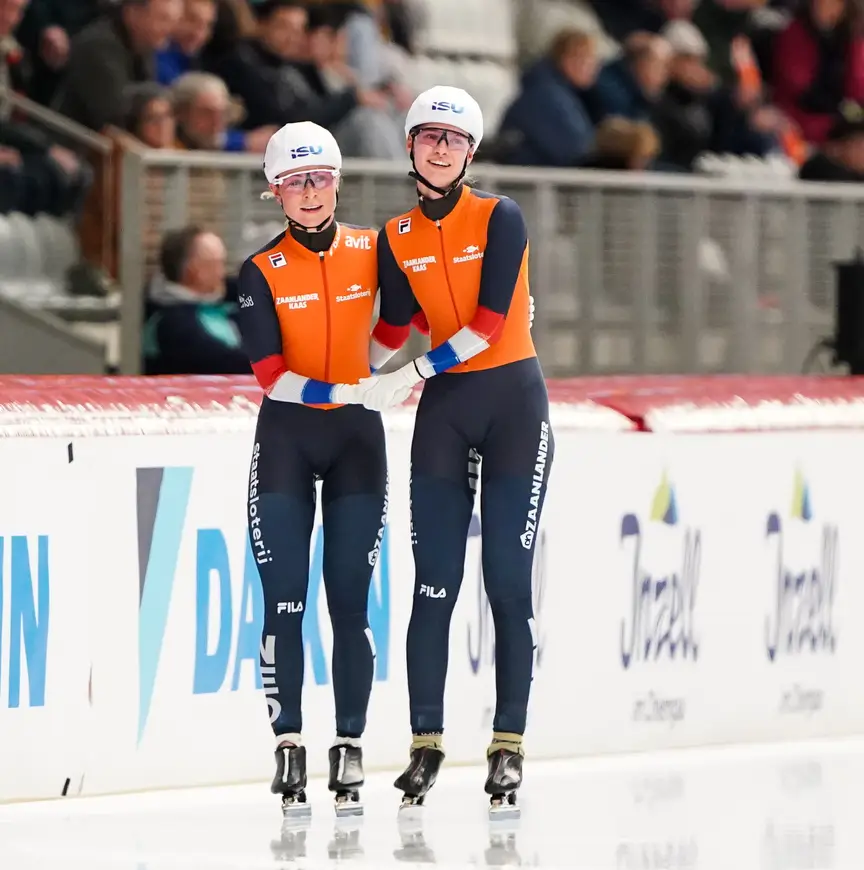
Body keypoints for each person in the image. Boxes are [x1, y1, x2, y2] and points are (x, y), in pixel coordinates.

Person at [356, 86, 554, 817]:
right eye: (429, 136)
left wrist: (406, 374)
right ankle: (426, 743)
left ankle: (508, 745)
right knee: (433, 584)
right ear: (409, 146)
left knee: (506, 581)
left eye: (454, 139)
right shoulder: (395, 235)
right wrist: (344, 375)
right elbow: (392, 328)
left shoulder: (501, 217)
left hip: (512, 407)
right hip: (445, 414)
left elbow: (487, 325)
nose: (440, 148)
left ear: (470, 154)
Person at [234, 120, 392, 820]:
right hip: (288, 443)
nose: (308, 192)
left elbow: (404, 319)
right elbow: (272, 376)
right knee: (285, 602)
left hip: (357, 442)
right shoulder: (260, 272)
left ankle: (350, 743)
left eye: (319, 178)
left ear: (337, 182)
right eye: (294, 181)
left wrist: (377, 371)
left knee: (350, 602)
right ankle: (289, 742)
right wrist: (349, 388)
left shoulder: (371, 249)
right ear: (274, 191)